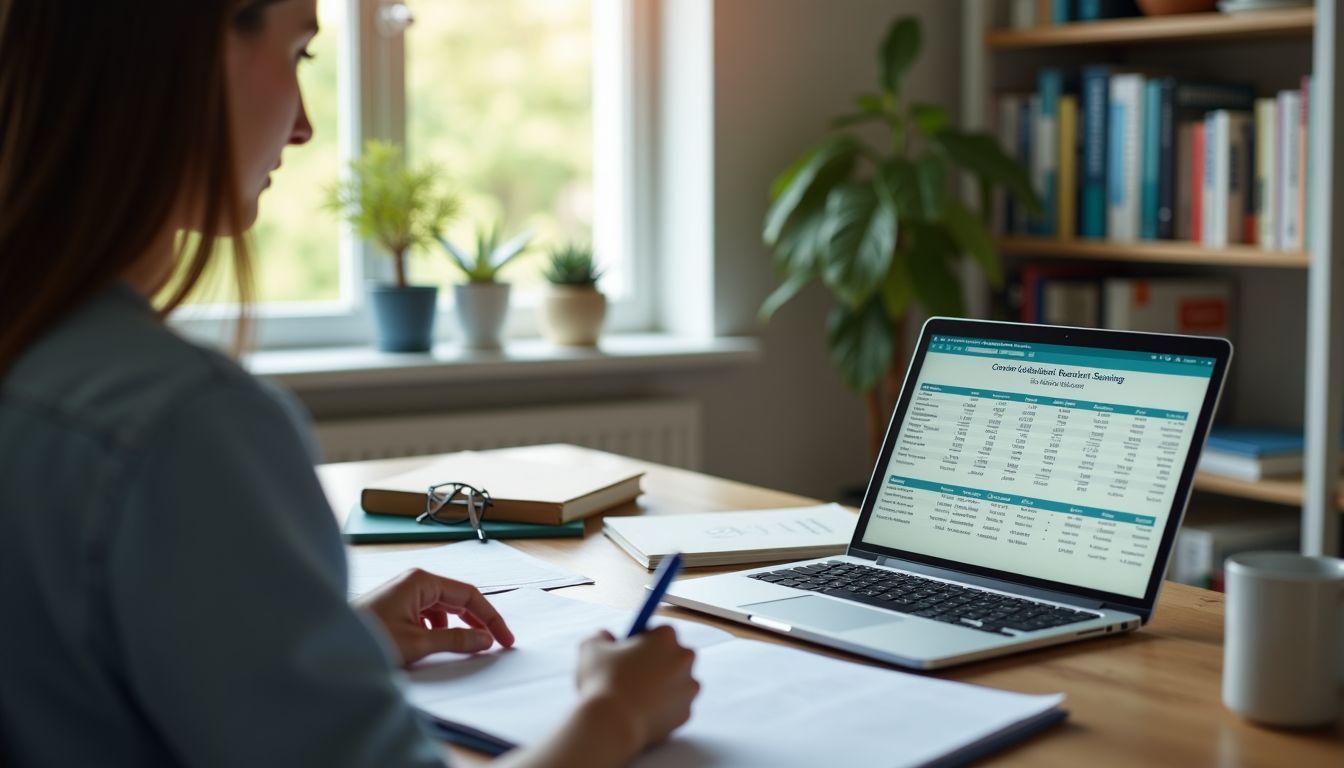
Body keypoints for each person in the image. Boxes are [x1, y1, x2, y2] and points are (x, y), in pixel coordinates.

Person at [0, 1, 699, 766]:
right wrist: (614, 713)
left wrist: (331, 643)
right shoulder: (185, 423)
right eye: (299, 55)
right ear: (197, 55)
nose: (303, 127)